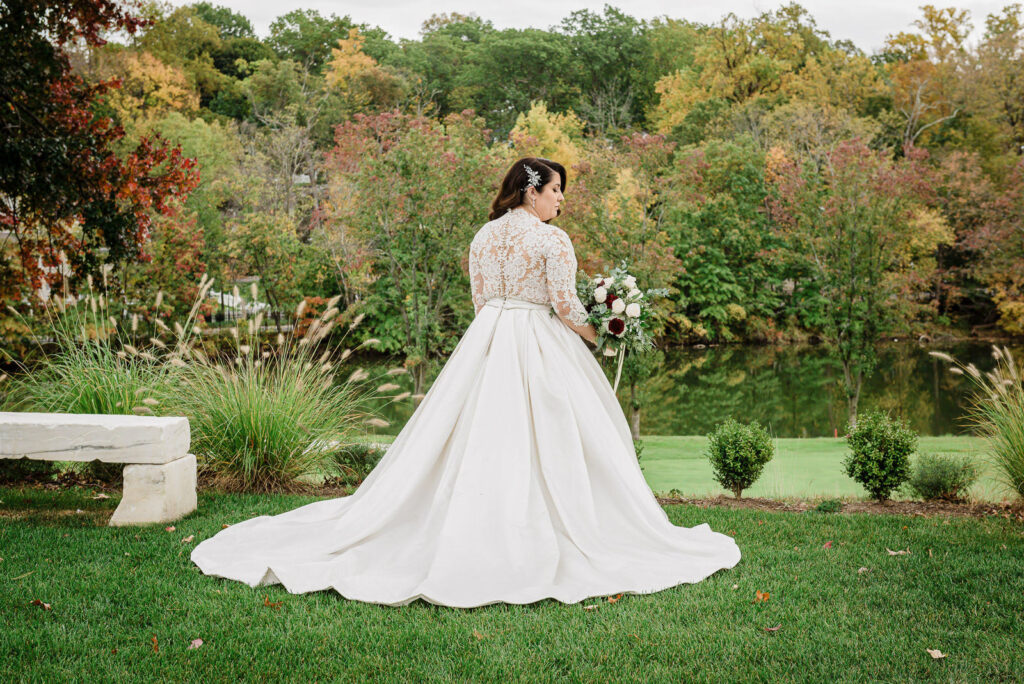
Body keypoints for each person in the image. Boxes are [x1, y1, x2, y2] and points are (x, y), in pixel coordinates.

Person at [191, 156, 741, 608]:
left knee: (477, 434)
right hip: (538, 341)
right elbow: (568, 308)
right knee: (551, 432)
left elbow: (480, 302)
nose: (560, 201)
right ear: (531, 194)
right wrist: (611, 334)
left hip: (488, 339)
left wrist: (508, 325)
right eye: (555, 191)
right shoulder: (554, 241)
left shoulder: (482, 236)